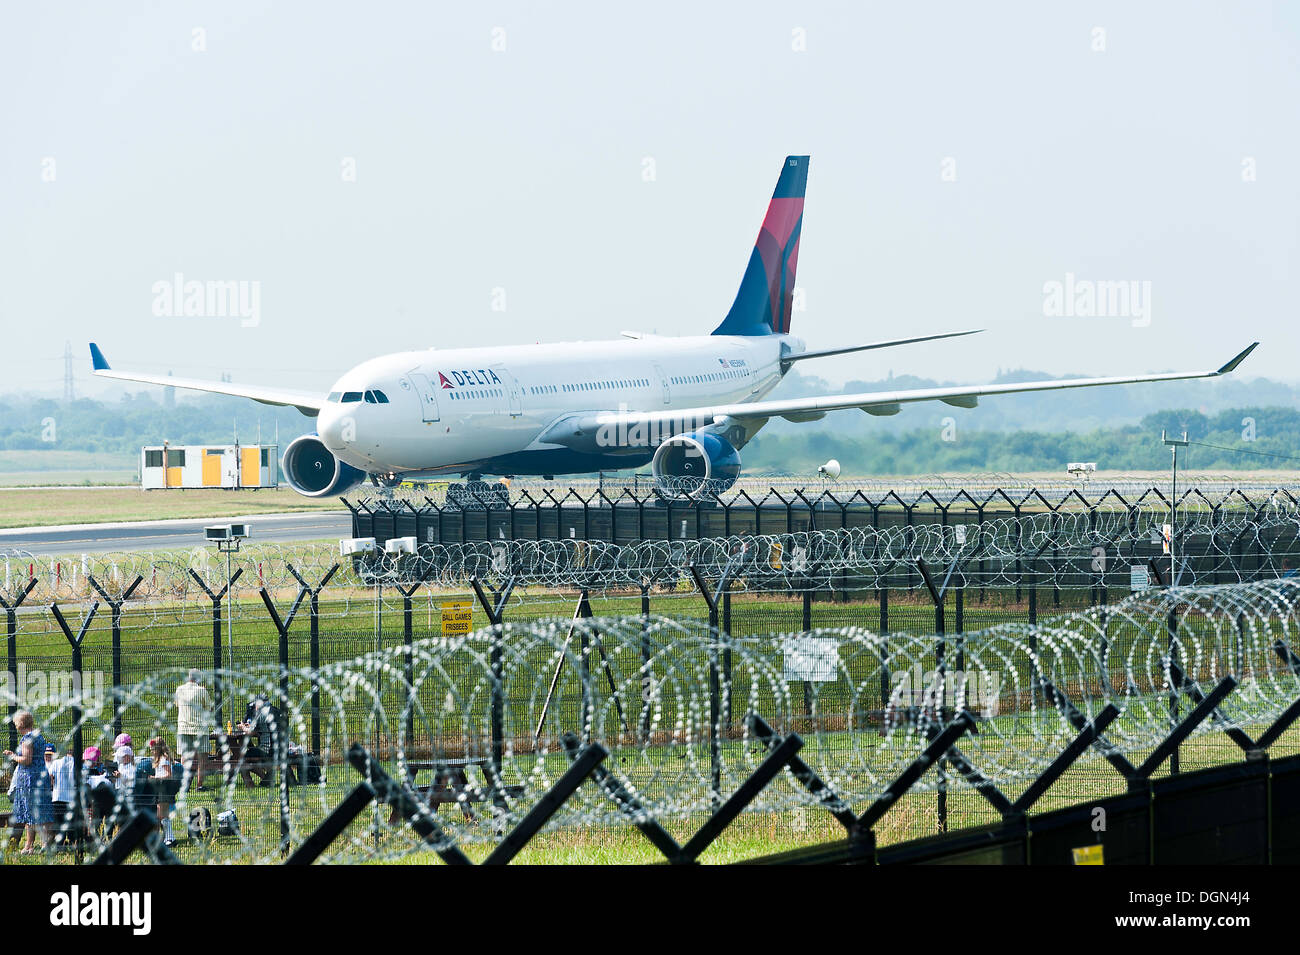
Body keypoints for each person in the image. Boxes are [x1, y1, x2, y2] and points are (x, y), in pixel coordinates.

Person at [3, 710, 53, 854]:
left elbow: (26, 760)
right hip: (41, 777)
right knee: (43, 809)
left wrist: (13, 756)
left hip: (29, 779)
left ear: (20, 724)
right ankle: (46, 843)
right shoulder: (39, 736)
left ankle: (29, 846)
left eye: (16, 723)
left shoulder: (26, 739)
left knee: (29, 812)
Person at [174, 669, 213, 791]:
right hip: (199, 728)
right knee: (202, 758)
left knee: (185, 757)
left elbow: (177, 704)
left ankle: (184, 785)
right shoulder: (202, 690)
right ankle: (200, 785)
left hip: (183, 727)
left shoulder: (179, 690)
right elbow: (209, 709)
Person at [236, 695, 281, 787]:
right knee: (250, 753)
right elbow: (259, 729)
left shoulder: (260, 714)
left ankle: (250, 783)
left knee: (241, 759)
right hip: (276, 747)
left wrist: (242, 727)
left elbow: (250, 732)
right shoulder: (272, 711)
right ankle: (266, 779)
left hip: (265, 749)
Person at [44, 744, 78, 847]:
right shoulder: (77, 764)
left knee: (58, 824)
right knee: (71, 823)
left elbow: (50, 777)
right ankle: (73, 843)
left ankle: (60, 845)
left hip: (57, 797)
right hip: (71, 799)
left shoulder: (56, 763)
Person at [147, 738, 178, 847]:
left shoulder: (164, 759)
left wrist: (156, 777)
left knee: (162, 815)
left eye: (153, 749)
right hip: (160, 787)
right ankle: (169, 838)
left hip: (165, 787)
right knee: (161, 815)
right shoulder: (159, 759)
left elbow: (169, 775)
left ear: (158, 748)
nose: (152, 751)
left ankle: (170, 838)